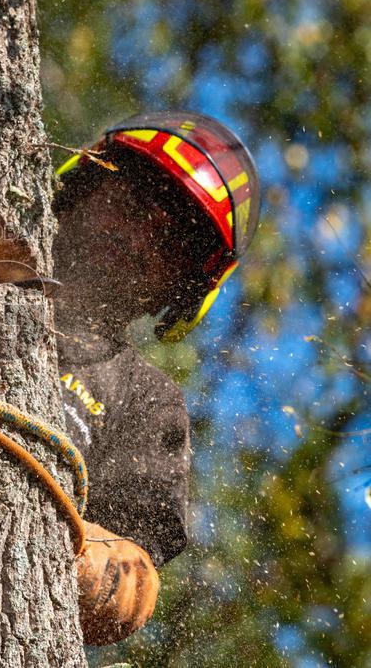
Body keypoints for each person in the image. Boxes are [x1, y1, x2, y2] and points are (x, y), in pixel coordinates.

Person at [51, 111, 260, 645]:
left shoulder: (145, 399)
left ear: (182, 290)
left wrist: (115, 569)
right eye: (129, 204)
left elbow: (131, 557)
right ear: (83, 188)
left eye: (168, 239)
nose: (136, 238)